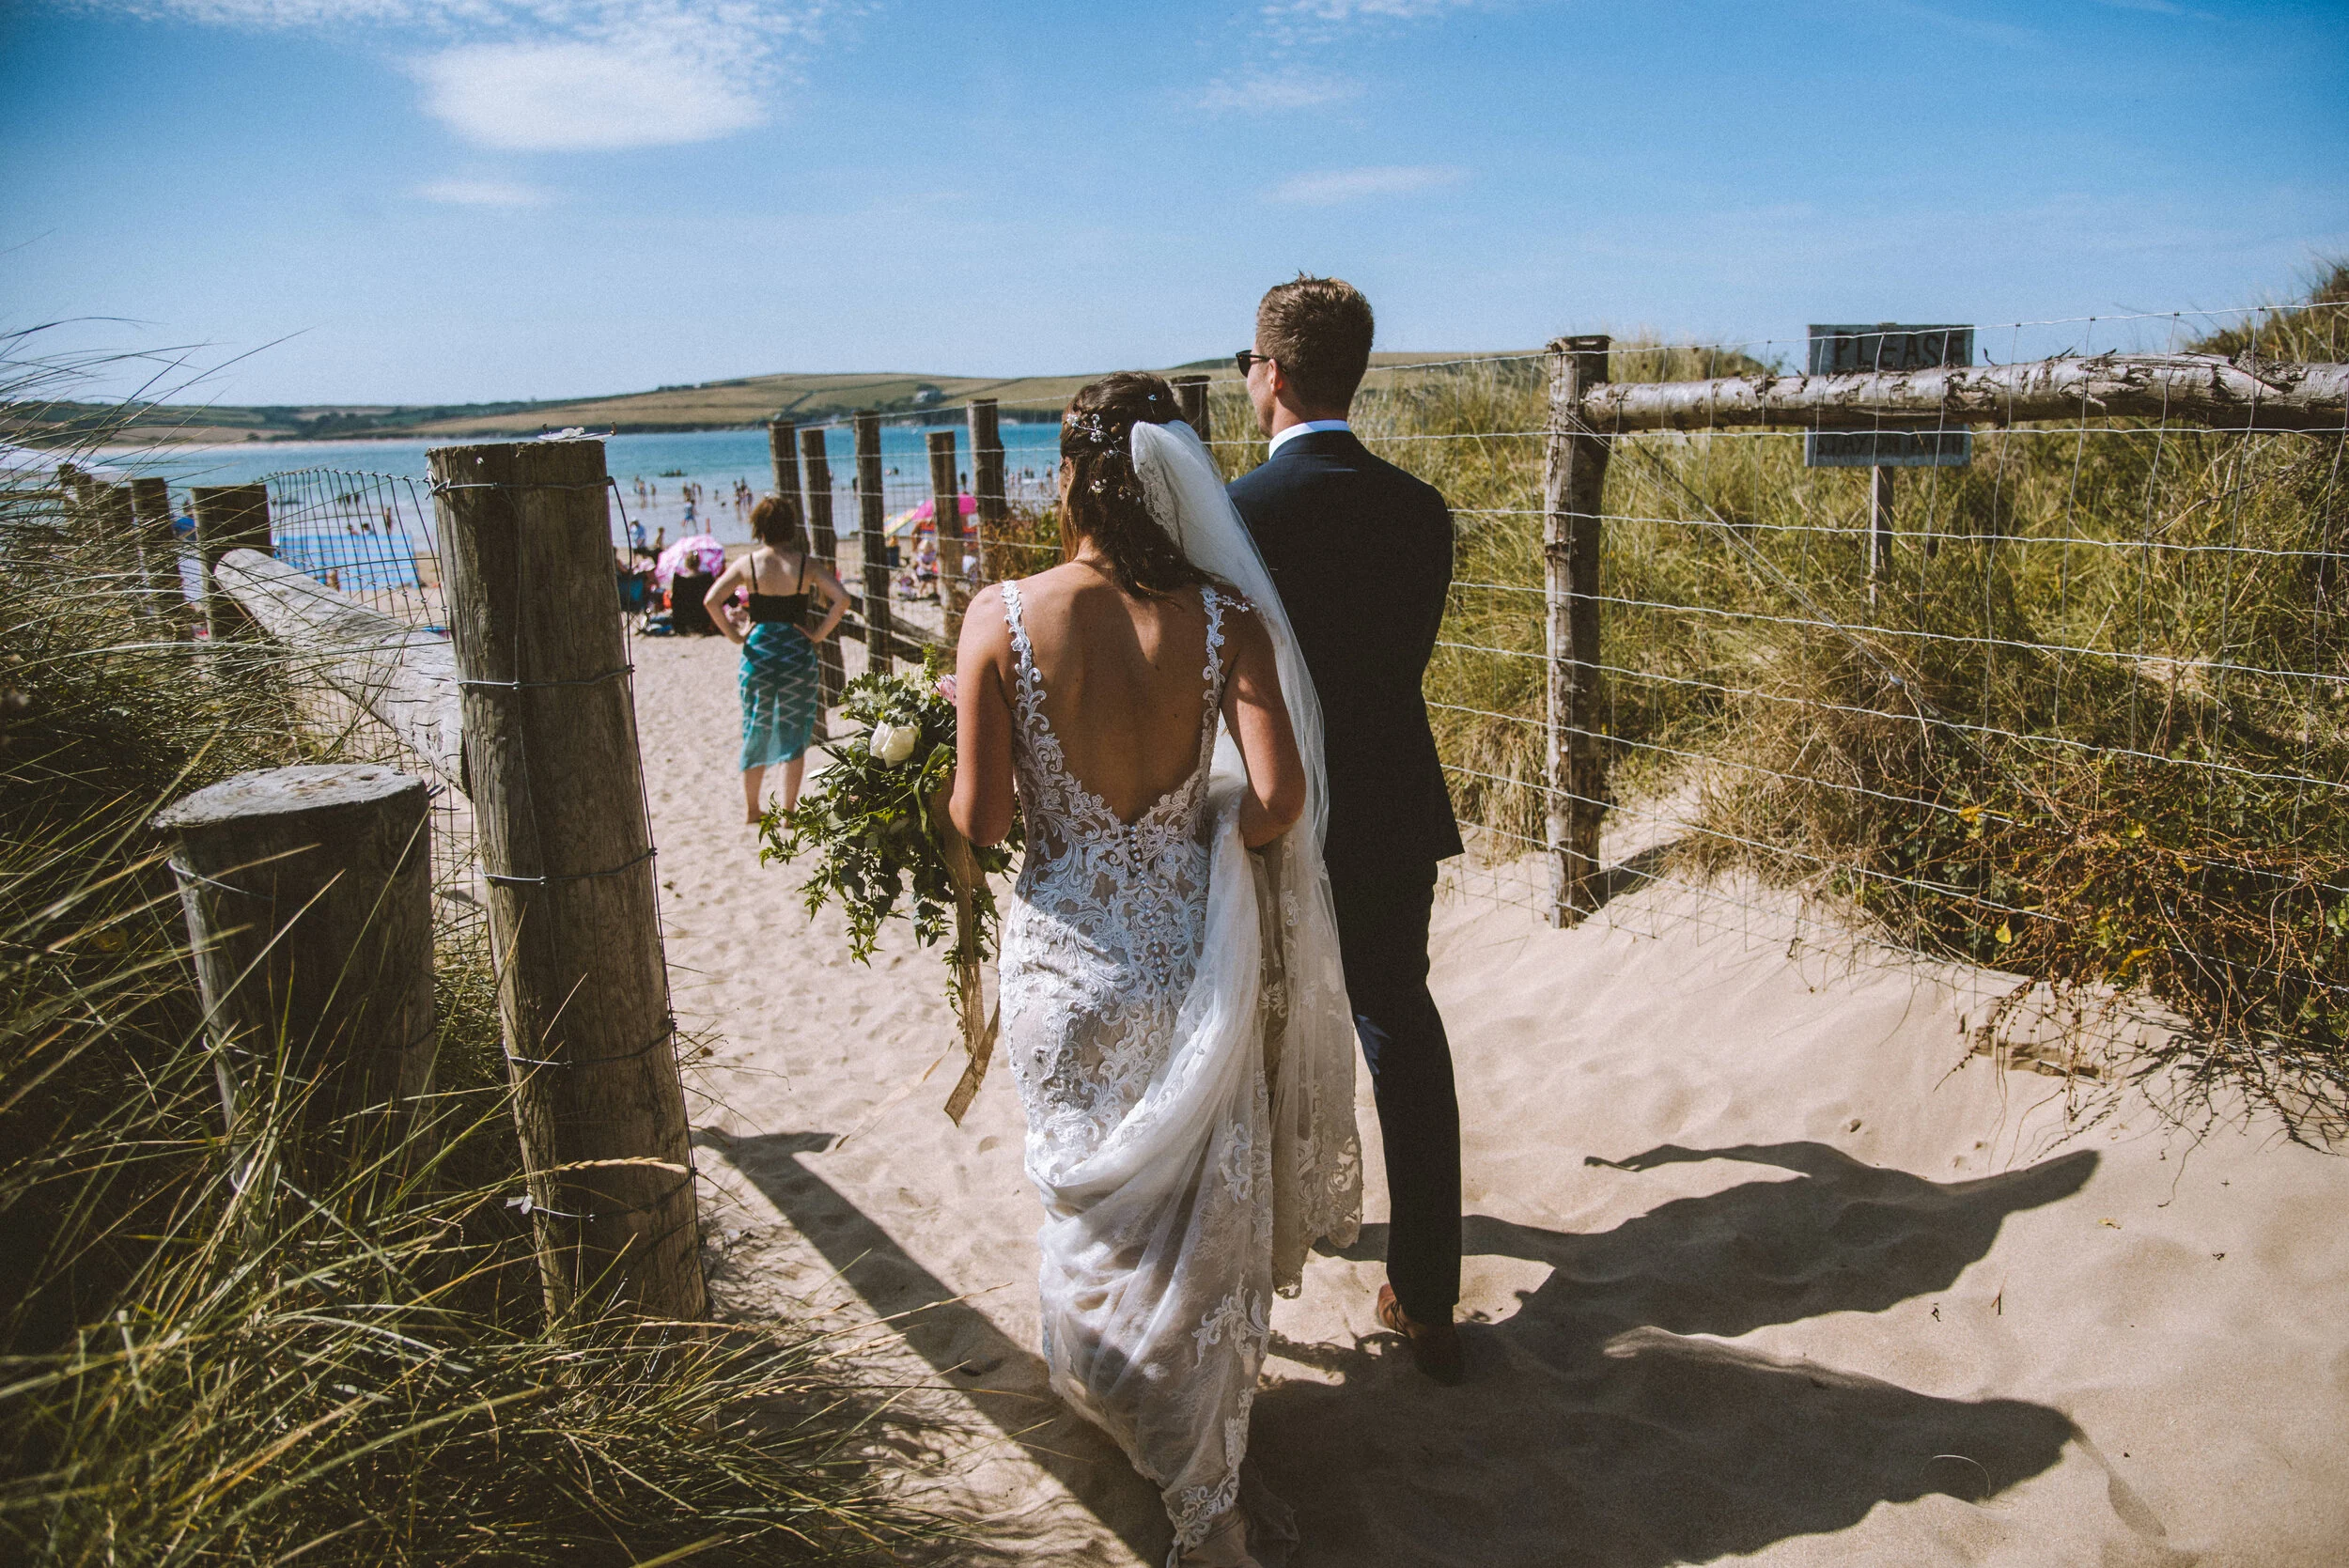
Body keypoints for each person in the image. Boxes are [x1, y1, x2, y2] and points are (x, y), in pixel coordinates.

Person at [950, 374, 1361, 1568]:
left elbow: (980, 820)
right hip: (1192, 957)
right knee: (1199, 1213)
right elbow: (1281, 799)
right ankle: (1201, 1468)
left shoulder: (1001, 614)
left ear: (1069, 477)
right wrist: (1197, 839)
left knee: (1090, 1196)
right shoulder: (1225, 614)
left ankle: (1109, 1393)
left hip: (1068, 963)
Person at [1226, 275, 1468, 1385]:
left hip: (1267, 815)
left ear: (1270, 374)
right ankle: (1426, 1291)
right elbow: (1395, 664)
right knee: (1398, 1026)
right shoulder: (1420, 508)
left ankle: (1242, 1282)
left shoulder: (1235, 515)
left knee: (1245, 1035)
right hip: (1387, 803)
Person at [705, 494, 848, 823]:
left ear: (758, 527)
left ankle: (753, 809)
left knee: (756, 726)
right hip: (797, 653)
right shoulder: (805, 565)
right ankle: (788, 811)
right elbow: (842, 599)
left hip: (758, 654)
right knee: (795, 731)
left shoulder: (749, 563)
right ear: (791, 527)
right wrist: (818, 634)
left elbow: (711, 600)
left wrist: (737, 636)